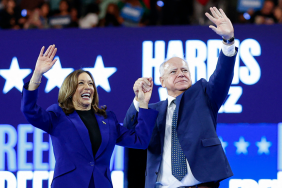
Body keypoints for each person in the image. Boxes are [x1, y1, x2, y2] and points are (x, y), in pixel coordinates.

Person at [124, 7, 237, 188]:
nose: (181, 74)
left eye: (185, 70)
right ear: (161, 81)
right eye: (174, 71)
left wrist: (228, 41)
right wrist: (139, 101)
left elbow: (222, 76)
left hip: (202, 184)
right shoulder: (151, 110)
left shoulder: (204, 95)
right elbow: (129, 132)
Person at [21, 44, 158, 188]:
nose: (88, 87)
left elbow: (140, 141)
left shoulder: (108, 119)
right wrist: (37, 74)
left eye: (91, 83)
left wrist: (143, 103)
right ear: (70, 89)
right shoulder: (57, 115)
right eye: (81, 83)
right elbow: (29, 110)